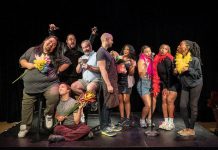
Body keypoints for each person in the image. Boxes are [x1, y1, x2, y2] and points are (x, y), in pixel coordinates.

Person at [18, 36, 71, 138]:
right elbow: (22, 59)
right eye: (50, 42)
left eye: (54, 45)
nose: (51, 44)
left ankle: (49, 115)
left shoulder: (55, 55)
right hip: (30, 85)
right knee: (26, 103)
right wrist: (28, 65)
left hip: (49, 84)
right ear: (45, 41)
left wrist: (58, 70)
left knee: (54, 94)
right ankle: (25, 126)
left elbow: (67, 61)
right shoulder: (33, 50)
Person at [175, 40, 203, 136]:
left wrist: (189, 69)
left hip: (196, 84)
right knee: (182, 105)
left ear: (187, 47)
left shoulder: (194, 59)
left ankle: (191, 129)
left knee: (193, 105)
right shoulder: (179, 58)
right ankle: (187, 127)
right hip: (185, 84)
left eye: (181, 44)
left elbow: (198, 74)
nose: (179, 45)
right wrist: (177, 72)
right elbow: (180, 75)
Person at [96, 33, 122, 137]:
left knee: (110, 104)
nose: (112, 42)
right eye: (111, 40)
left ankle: (109, 124)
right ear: (107, 39)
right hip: (108, 82)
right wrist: (108, 84)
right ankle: (104, 127)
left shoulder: (105, 52)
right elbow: (102, 70)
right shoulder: (101, 52)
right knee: (107, 104)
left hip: (112, 81)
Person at [71, 40, 100, 122]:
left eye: (87, 46)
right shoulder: (82, 57)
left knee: (89, 87)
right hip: (84, 80)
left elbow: (101, 70)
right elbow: (78, 71)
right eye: (83, 47)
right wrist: (79, 63)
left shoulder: (97, 55)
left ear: (90, 46)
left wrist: (89, 67)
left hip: (96, 80)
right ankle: (91, 100)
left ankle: (83, 108)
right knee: (73, 86)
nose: (86, 49)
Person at [152, 44, 179, 131]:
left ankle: (171, 123)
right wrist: (164, 86)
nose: (163, 50)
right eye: (162, 48)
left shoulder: (168, 59)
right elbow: (161, 76)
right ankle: (166, 121)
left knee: (169, 100)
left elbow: (170, 75)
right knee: (163, 100)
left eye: (165, 49)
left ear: (168, 51)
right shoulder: (157, 60)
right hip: (165, 83)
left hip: (173, 83)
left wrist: (167, 87)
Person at [111, 44, 136, 127]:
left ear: (130, 51)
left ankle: (128, 119)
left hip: (127, 81)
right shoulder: (119, 58)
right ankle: (122, 118)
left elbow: (132, 73)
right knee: (120, 100)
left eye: (128, 49)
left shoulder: (132, 60)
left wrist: (132, 65)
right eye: (125, 49)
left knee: (126, 100)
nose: (126, 51)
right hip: (118, 81)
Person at [137, 45, 156, 127]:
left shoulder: (152, 60)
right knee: (148, 105)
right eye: (146, 52)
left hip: (152, 83)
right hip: (143, 83)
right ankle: (142, 119)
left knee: (154, 102)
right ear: (143, 53)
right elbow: (141, 75)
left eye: (149, 51)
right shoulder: (141, 60)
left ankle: (149, 119)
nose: (149, 53)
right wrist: (145, 67)